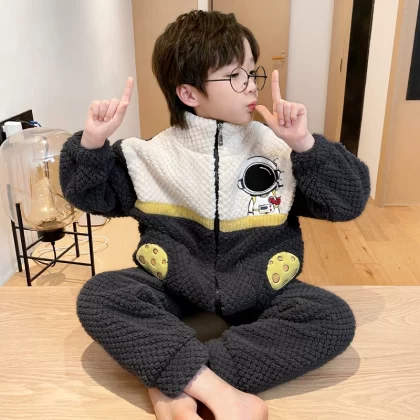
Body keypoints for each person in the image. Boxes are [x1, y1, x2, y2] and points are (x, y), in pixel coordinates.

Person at [60, 10, 371, 420]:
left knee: (331, 318)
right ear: (189, 94)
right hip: (173, 287)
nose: (251, 85)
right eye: (235, 75)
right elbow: (88, 195)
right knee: (101, 296)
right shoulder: (147, 157)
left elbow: (349, 202)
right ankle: (217, 393)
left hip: (263, 290)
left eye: (251, 71)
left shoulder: (279, 151)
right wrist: (91, 144)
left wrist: (305, 145)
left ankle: (176, 384)